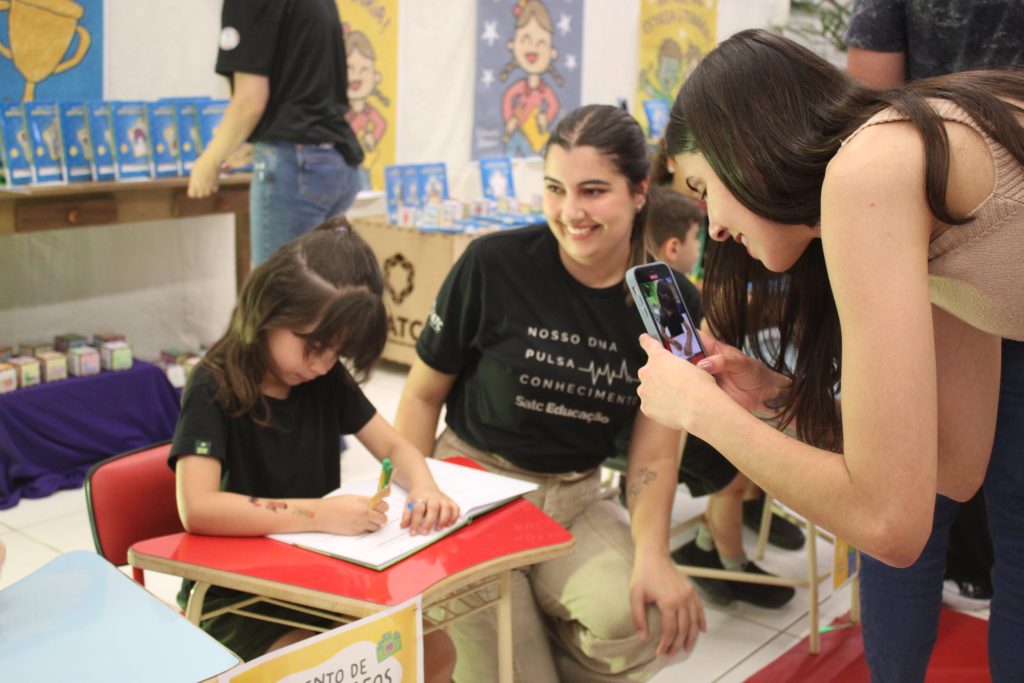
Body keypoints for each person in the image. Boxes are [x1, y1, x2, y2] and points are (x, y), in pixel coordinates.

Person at [635, 28, 1024, 683]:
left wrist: (706, 415)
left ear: (746, 150)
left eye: (703, 187)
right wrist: (772, 402)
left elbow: (890, 525)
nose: (715, 225)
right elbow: (951, 467)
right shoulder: (916, 173)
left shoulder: (866, 169)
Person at [395, 104, 705, 683]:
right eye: (555, 189)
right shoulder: (493, 262)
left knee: (652, 616)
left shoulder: (669, 301)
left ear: (640, 191)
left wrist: (656, 555)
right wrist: (409, 504)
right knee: (513, 671)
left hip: (575, 498)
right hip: (470, 493)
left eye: (593, 191)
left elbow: (657, 450)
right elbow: (419, 397)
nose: (571, 212)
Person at [169, 217, 457, 682]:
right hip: (236, 596)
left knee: (435, 650)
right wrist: (321, 515)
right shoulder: (213, 385)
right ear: (269, 310)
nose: (322, 364)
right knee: (326, 667)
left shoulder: (324, 380)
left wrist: (425, 488)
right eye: (314, 345)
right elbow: (198, 508)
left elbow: (395, 447)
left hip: (318, 580)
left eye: (336, 352)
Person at [844, 0, 1024, 619]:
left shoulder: (869, 165)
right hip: (941, 243)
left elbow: (889, 518)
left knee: (907, 522)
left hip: (933, 238)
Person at [639, 186, 798, 609]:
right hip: (665, 424)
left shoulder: (674, 292)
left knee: (740, 460)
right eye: (697, 240)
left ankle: (710, 544)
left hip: (682, 411)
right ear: (675, 246)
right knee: (731, 474)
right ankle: (732, 563)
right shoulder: (678, 296)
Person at [187, 0, 364, 267]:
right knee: (319, 296)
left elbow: (249, 101)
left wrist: (208, 161)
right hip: (336, 160)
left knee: (277, 298)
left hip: (296, 166)